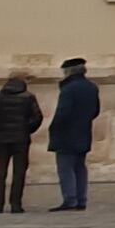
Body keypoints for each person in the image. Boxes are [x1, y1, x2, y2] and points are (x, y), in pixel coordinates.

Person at [0, 74, 41, 214]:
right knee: (19, 172)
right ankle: (16, 204)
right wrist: (27, 129)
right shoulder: (28, 97)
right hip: (21, 139)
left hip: (1, 139)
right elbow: (37, 117)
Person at [47, 58, 100, 211]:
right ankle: (81, 198)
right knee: (79, 167)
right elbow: (95, 110)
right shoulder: (91, 87)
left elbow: (63, 113)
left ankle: (70, 199)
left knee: (65, 167)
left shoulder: (68, 89)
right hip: (83, 130)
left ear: (68, 72)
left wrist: (54, 128)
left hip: (66, 133)